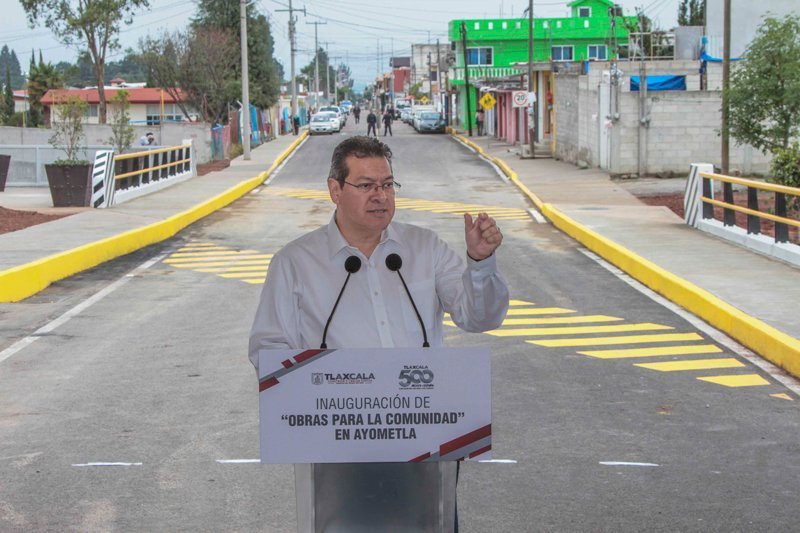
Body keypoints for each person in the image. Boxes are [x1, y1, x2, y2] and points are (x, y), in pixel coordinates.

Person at [249, 136, 509, 531]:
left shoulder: (425, 248)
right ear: (335, 190)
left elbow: (481, 318)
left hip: (425, 438)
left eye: (387, 185)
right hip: (339, 449)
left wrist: (480, 262)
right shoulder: (295, 263)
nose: (380, 196)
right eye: (366, 185)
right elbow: (268, 349)